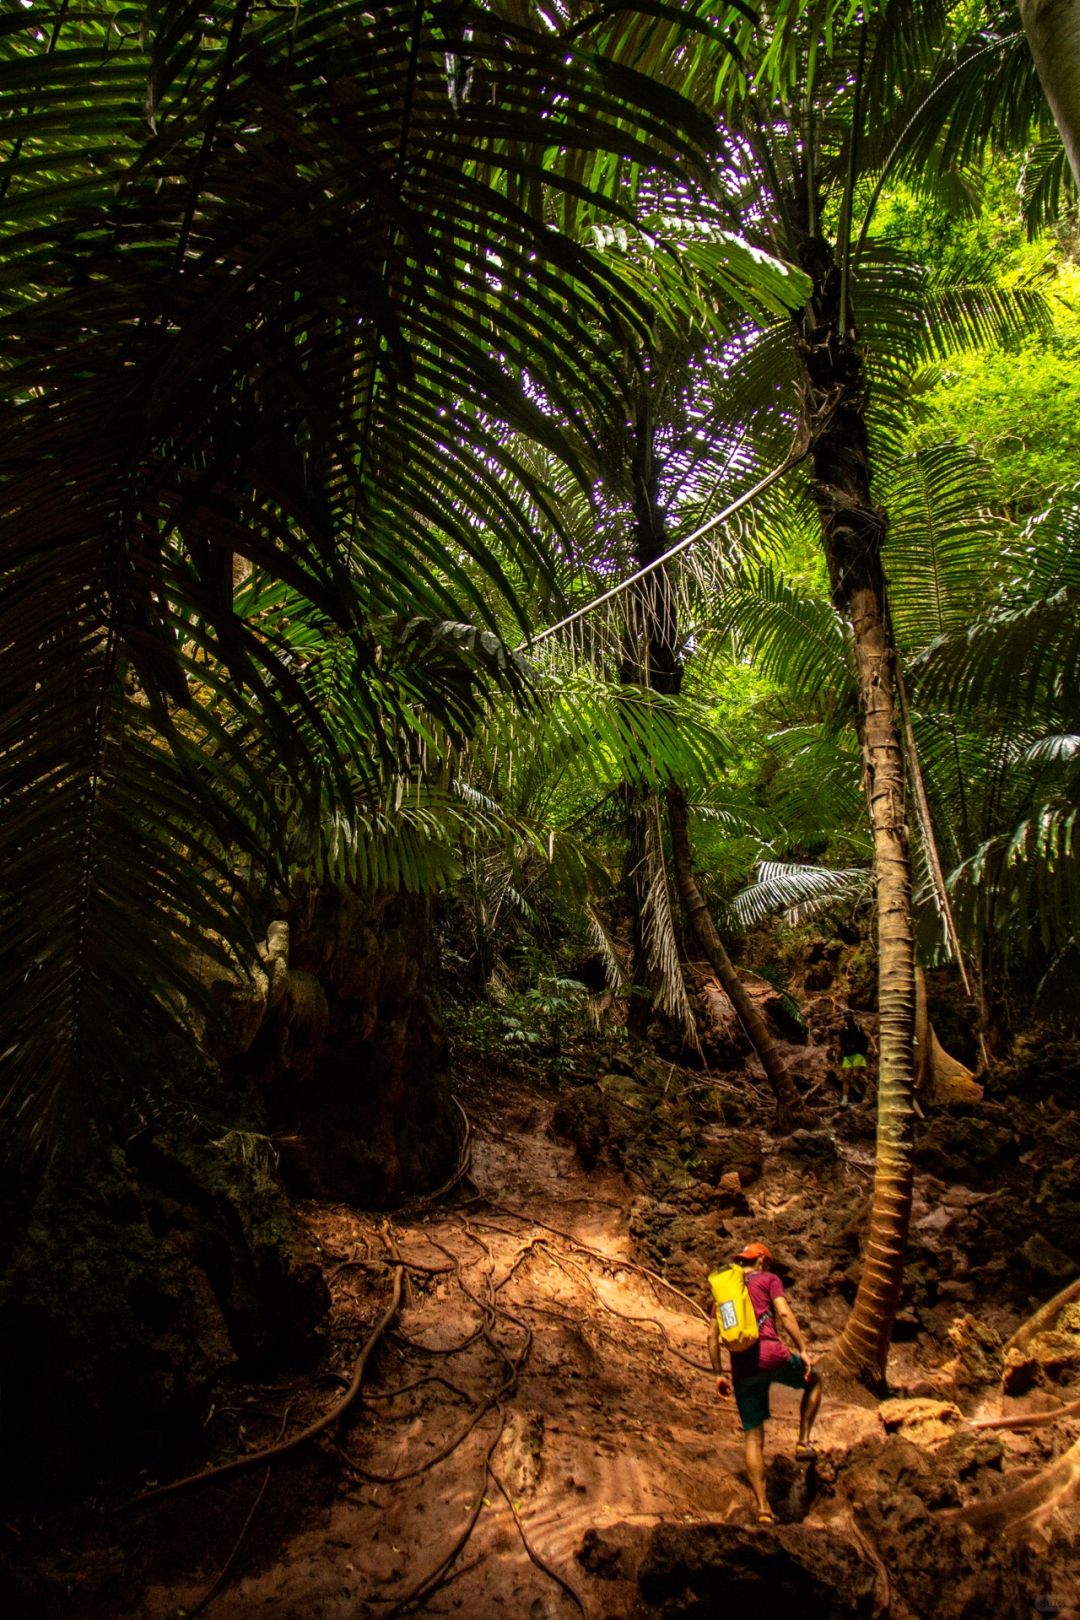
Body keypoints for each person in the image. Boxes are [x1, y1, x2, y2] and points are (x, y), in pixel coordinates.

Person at [707, 1240, 822, 1526]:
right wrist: (803, 1349)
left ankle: (762, 1508)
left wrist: (719, 1374)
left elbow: (712, 1337)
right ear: (761, 1261)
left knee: (753, 1437)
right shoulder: (769, 1279)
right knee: (815, 1380)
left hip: (743, 1369)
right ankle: (804, 1442)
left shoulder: (724, 1290)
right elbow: (783, 1313)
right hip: (773, 1356)